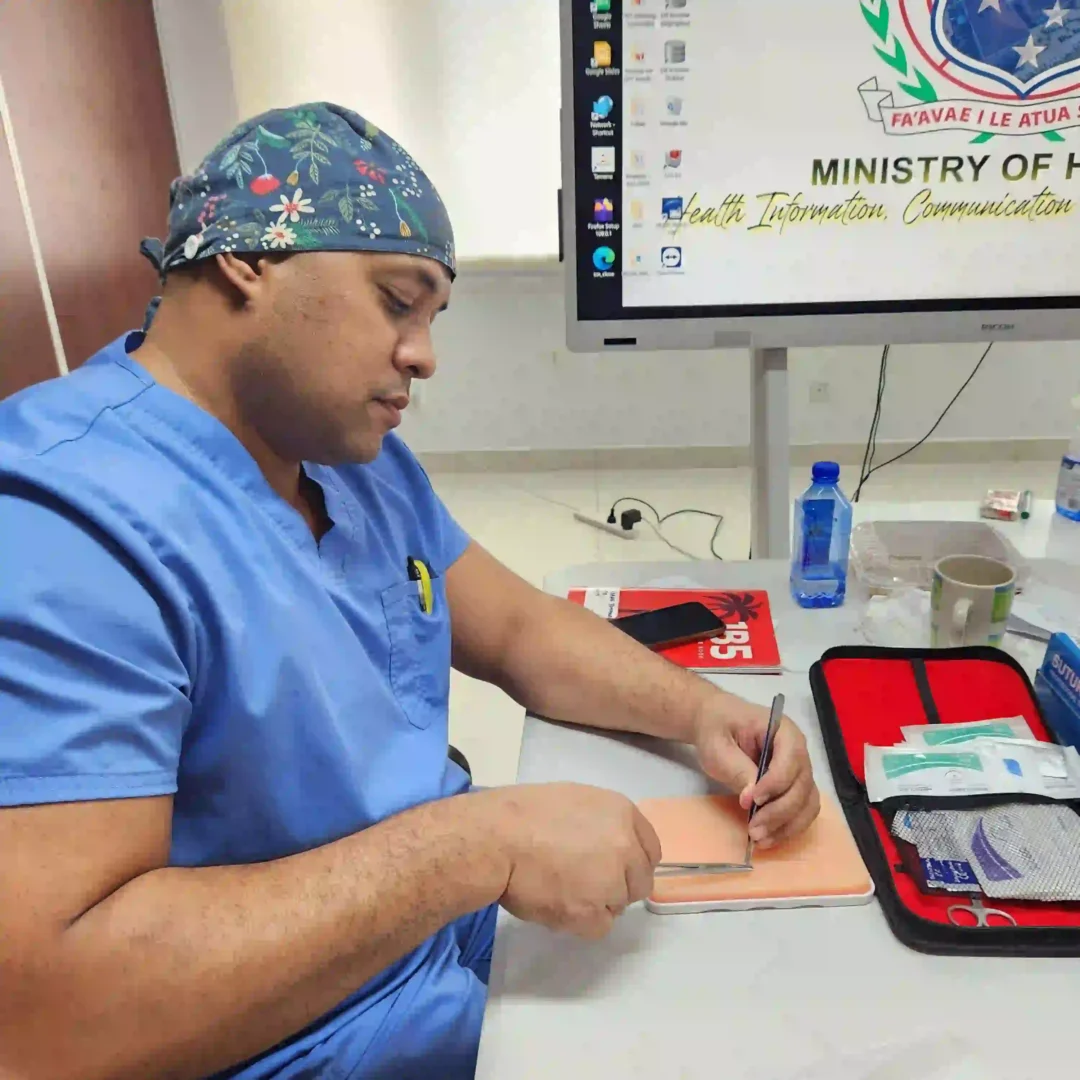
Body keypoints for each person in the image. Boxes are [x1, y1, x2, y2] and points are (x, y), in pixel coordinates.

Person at [0, 103, 819, 1080]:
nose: (425, 355)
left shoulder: (346, 461)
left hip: (443, 947)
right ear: (248, 260)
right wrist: (473, 847)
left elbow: (519, 631)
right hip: (303, 1040)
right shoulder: (62, 525)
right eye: (398, 300)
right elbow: (48, 1020)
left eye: (433, 317)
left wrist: (707, 714)